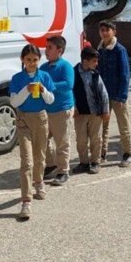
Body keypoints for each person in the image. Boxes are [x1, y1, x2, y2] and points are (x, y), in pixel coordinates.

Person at [9, 44, 56, 220]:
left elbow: (51, 100)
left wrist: (43, 89)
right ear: (22, 60)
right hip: (23, 119)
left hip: (41, 119)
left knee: (39, 157)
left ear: (39, 60)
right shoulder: (17, 78)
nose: (31, 63)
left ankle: (39, 182)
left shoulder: (44, 76)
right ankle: (26, 201)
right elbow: (14, 102)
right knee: (26, 161)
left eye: (35, 60)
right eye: (28, 60)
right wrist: (26, 90)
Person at [97, 21, 131, 167]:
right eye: (102, 30)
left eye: (107, 30)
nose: (104, 33)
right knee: (102, 125)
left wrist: (122, 96)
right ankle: (101, 153)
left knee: (123, 124)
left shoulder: (119, 49)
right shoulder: (99, 50)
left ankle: (128, 153)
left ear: (114, 31)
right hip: (103, 94)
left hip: (117, 94)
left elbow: (125, 74)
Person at [41, 36, 75, 186]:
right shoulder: (43, 67)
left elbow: (68, 84)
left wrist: (49, 86)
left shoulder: (65, 66)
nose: (46, 50)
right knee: (43, 139)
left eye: (50, 48)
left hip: (61, 110)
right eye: (46, 47)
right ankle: (51, 165)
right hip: (46, 110)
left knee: (62, 142)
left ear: (59, 50)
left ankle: (63, 171)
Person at [72, 47, 110, 175]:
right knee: (81, 139)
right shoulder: (73, 73)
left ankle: (95, 162)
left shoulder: (95, 74)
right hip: (80, 113)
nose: (96, 63)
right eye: (94, 61)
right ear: (85, 61)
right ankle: (83, 162)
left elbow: (103, 93)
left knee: (96, 138)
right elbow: (69, 92)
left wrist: (105, 110)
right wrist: (74, 107)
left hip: (95, 112)